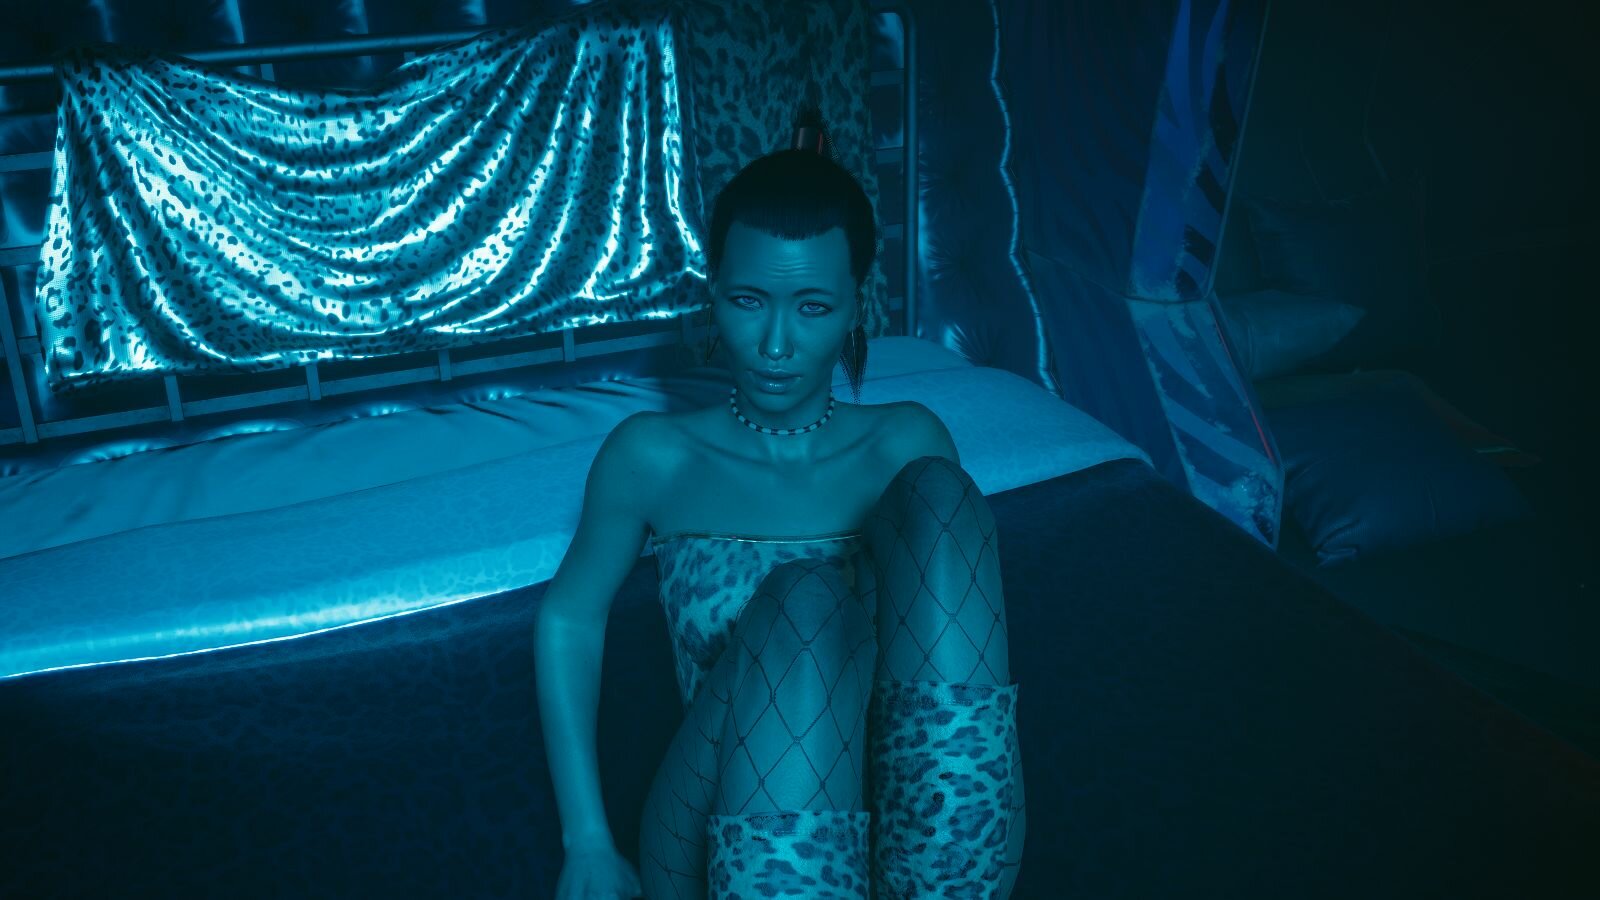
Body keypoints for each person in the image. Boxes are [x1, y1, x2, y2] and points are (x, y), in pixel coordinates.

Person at [536, 104, 1026, 900]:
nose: (773, 346)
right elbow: (570, 617)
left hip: (906, 820)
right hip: (717, 816)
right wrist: (586, 839)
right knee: (806, 603)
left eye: (812, 308)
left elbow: (943, 646)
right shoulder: (652, 454)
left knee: (941, 497)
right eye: (748, 300)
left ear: (857, 306)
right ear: (714, 296)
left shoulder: (904, 443)